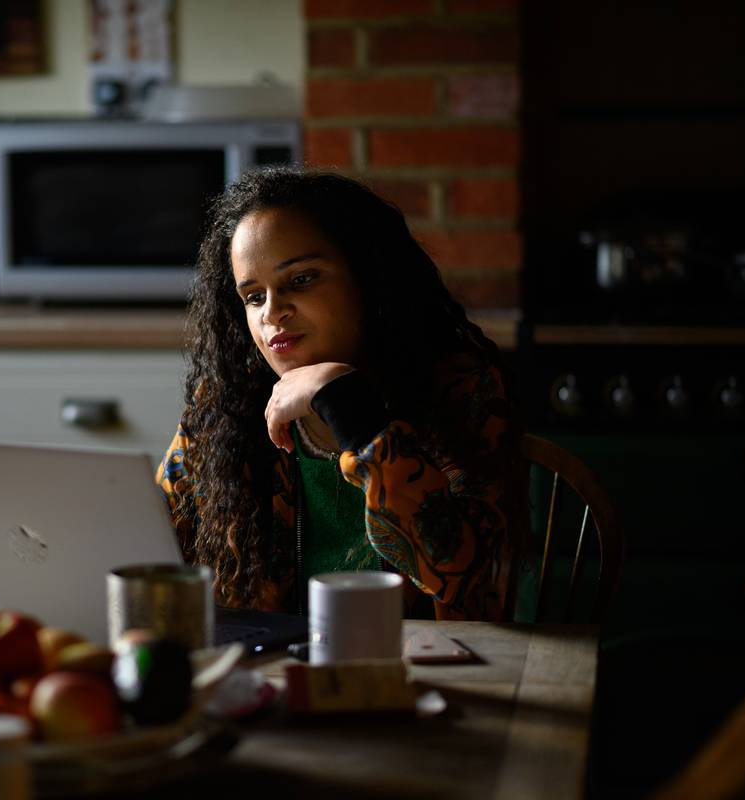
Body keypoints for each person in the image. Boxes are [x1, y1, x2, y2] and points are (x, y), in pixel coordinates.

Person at [156, 167, 525, 621]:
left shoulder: (459, 389)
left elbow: (463, 571)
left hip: (424, 659)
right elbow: (150, 540)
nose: (272, 312)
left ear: (369, 279)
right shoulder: (229, 405)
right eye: (253, 297)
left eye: (302, 279)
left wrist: (347, 405)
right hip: (274, 661)